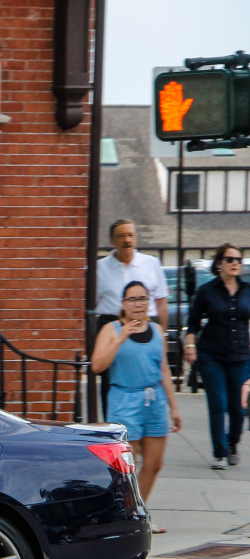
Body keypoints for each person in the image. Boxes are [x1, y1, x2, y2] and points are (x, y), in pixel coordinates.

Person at [92, 280, 181, 530]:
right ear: (123, 304)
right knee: (125, 466)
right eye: (133, 299)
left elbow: (163, 369)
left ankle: (135, 513)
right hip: (124, 400)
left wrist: (174, 407)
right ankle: (122, 515)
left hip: (154, 401)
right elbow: (97, 365)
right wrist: (120, 339)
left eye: (143, 299)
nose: (138, 304)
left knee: (154, 464)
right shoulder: (111, 329)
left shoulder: (157, 331)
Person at [183, 242, 250, 469]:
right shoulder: (207, 291)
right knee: (218, 403)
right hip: (211, 354)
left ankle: (232, 443)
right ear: (219, 264)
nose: (235, 264)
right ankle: (219, 453)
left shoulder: (248, 290)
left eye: (238, 260)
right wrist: (190, 346)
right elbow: (192, 323)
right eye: (230, 259)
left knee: (238, 408)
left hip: (241, 355)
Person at [95, 219, 168, 418]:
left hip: (147, 325)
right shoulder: (99, 268)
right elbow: (91, 305)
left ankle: (148, 421)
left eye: (130, 235)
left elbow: (161, 302)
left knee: (150, 376)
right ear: (112, 240)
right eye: (121, 236)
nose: (127, 240)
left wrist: (164, 334)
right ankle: (113, 429)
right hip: (113, 326)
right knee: (112, 380)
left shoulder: (151, 263)